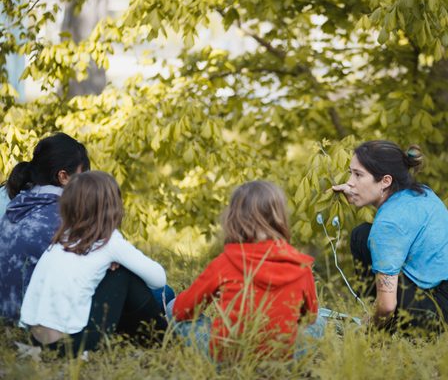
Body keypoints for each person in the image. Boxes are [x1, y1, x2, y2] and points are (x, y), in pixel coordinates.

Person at [332, 140, 448, 331]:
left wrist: (368, 332)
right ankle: (387, 318)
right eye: (350, 173)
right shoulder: (421, 193)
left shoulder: (388, 224)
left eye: (358, 175)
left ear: (386, 181)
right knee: (363, 235)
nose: (350, 182)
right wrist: (356, 193)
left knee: (361, 238)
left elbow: (387, 307)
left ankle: (386, 328)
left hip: (444, 314)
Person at [20, 171, 168, 355]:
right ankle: (164, 339)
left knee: (111, 274)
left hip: (37, 339)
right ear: (112, 207)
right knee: (123, 275)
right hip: (69, 345)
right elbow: (159, 279)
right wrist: (119, 264)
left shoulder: (63, 238)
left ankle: (141, 335)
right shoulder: (108, 241)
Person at [169, 181, 319, 359]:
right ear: (280, 217)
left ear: (234, 218)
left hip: (227, 359)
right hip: (281, 359)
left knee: (172, 306)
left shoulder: (225, 262)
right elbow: (310, 317)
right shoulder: (300, 264)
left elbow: (182, 310)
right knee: (320, 323)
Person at [0, 132, 90, 321]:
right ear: (64, 176)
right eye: (83, 176)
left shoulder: (15, 206)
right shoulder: (63, 217)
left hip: (7, 314)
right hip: (35, 323)